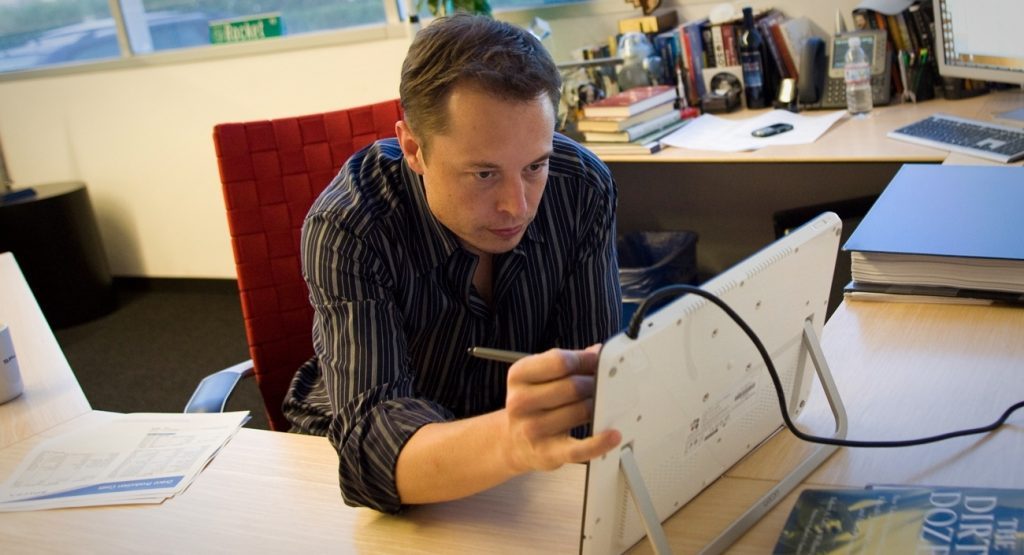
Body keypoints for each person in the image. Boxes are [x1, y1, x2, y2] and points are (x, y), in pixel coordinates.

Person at [283, 14, 622, 514]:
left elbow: (592, 388)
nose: (517, 206)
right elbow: (372, 445)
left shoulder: (580, 188)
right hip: (363, 475)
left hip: (519, 465)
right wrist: (510, 439)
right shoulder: (352, 225)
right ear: (414, 149)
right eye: (484, 174)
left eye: (535, 166)